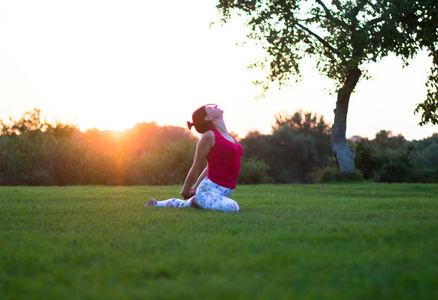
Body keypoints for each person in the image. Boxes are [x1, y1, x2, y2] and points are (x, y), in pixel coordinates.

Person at [146, 104, 243, 212]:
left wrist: (196, 187)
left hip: (221, 191)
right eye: (210, 108)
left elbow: (210, 167)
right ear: (208, 118)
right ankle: (198, 199)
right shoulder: (209, 136)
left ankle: (155, 203)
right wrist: (185, 191)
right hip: (209, 191)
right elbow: (196, 166)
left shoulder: (228, 136)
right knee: (232, 207)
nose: (215, 106)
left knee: (185, 205)